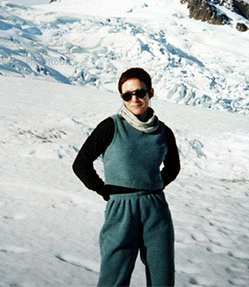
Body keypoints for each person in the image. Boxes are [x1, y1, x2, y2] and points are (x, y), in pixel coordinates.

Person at [72, 67, 180, 287]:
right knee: (114, 278)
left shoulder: (163, 131)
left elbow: (173, 166)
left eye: (140, 92)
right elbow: (81, 164)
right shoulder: (110, 126)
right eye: (127, 95)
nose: (134, 99)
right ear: (121, 97)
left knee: (163, 277)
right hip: (121, 209)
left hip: (155, 208)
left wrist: (154, 186)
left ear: (151, 92)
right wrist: (105, 190)